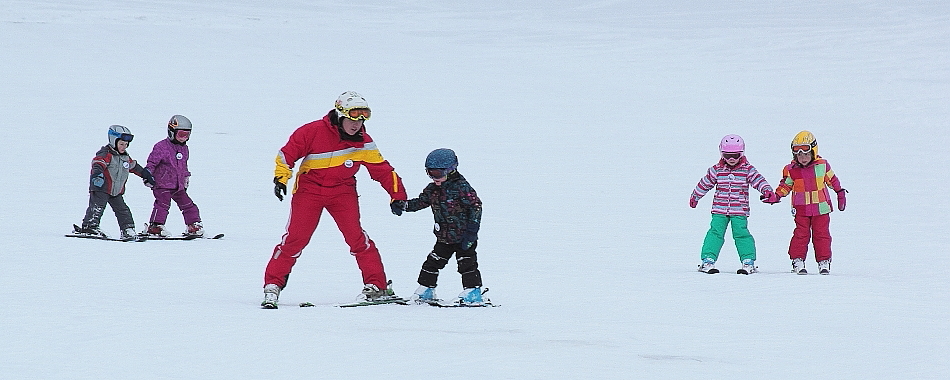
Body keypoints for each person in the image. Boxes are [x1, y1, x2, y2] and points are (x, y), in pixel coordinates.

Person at [261, 91, 408, 309]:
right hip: (309, 191)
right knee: (295, 239)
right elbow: (287, 154)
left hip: (342, 192)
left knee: (357, 238)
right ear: (340, 114)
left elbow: (383, 171)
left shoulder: (364, 143)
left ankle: (376, 286)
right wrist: (281, 177)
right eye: (352, 117)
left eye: (362, 118)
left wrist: (397, 195)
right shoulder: (312, 131)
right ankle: (272, 285)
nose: (356, 124)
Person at [390, 148, 485, 305]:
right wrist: (404, 205)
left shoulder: (462, 188)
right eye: (430, 173)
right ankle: (426, 289)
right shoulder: (432, 189)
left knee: (466, 263)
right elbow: (420, 202)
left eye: (438, 174)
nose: (434, 178)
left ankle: (473, 291)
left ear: (451, 170)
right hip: (444, 237)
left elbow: (476, 207)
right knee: (432, 262)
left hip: (464, 236)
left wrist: (472, 232)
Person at [690, 134, 778, 274]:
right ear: (722, 153)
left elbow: (758, 180)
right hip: (719, 210)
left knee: (741, 234)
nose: (731, 159)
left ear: (741, 153)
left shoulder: (747, 169)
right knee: (715, 233)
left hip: (739, 210)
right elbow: (705, 183)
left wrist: (767, 191)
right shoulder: (717, 170)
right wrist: (696, 196)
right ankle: (707, 260)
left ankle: (748, 261)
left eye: (735, 156)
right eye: (727, 155)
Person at [772, 130, 847, 275]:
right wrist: (776, 196)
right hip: (801, 209)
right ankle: (798, 260)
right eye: (799, 154)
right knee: (801, 234)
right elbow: (785, 185)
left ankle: (824, 261)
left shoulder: (822, 165)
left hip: (821, 208)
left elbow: (832, 180)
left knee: (822, 235)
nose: (803, 157)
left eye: (806, 154)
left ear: (813, 151)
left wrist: (839, 192)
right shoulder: (791, 169)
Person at [74, 125, 156, 241]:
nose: (124, 147)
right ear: (113, 141)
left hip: (116, 191)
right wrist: (97, 174)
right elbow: (98, 163)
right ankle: (89, 226)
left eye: (126, 144)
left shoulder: (125, 157)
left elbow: (133, 166)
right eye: (121, 144)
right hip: (101, 187)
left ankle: (128, 229)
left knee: (123, 210)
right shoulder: (106, 154)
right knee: (97, 207)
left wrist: (145, 174)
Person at [144, 115, 204, 238]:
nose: (183, 138)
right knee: (162, 205)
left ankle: (193, 225)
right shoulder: (161, 147)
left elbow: (183, 166)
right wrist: (148, 174)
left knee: (189, 205)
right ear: (171, 132)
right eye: (181, 134)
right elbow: (152, 162)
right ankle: (155, 226)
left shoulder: (185, 149)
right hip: (162, 184)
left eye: (187, 135)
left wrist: (186, 177)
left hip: (178, 185)